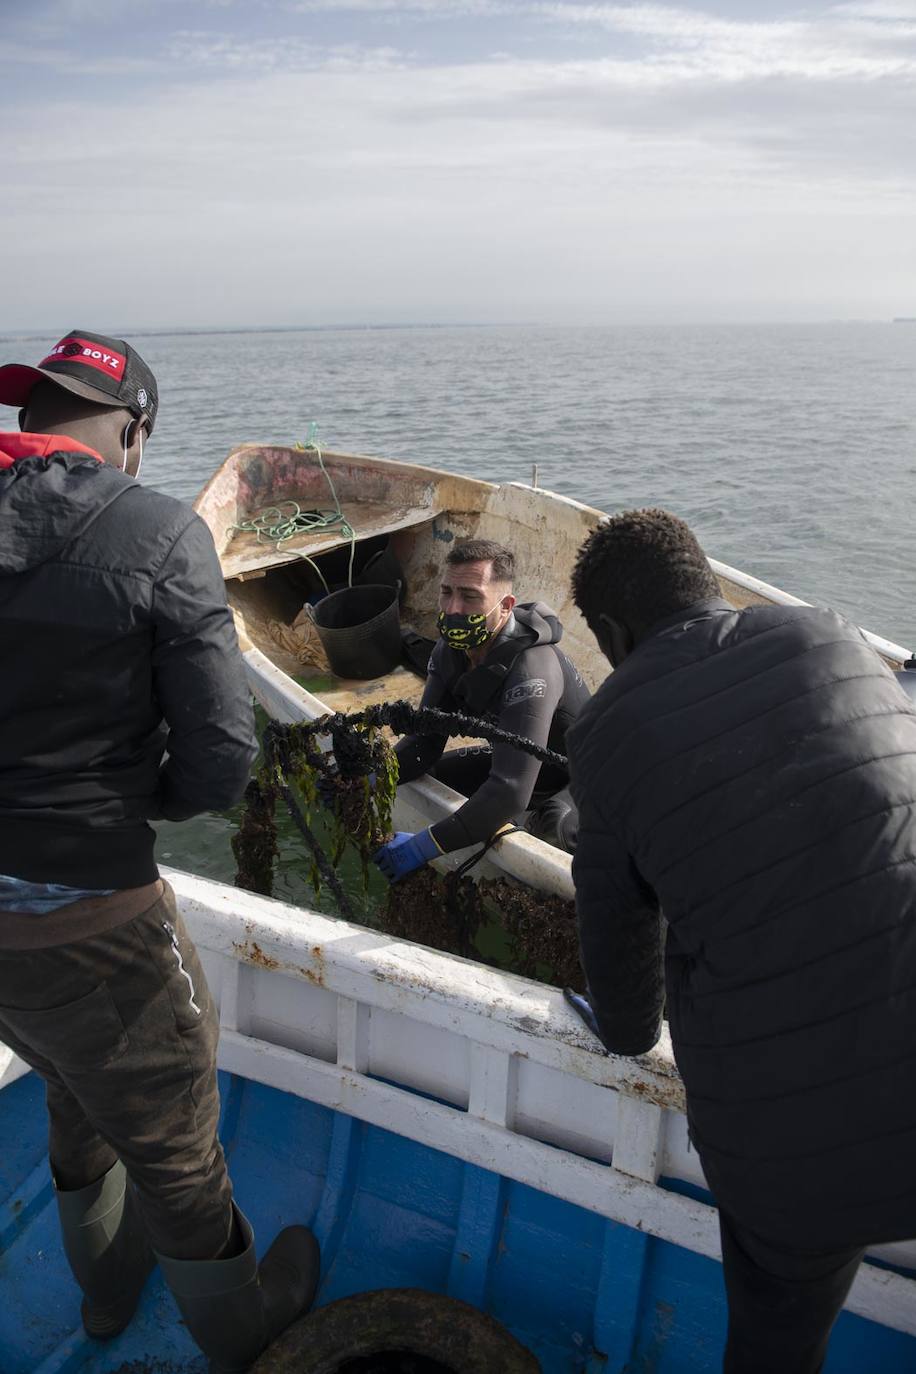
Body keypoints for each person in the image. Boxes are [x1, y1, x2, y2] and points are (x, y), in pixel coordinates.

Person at [0, 330, 319, 1372]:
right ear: (134, 432)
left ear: (31, 419)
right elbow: (223, 759)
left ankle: (102, 1298)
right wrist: (128, 803)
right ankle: (246, 1335)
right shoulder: (157, 532)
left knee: (67, 1081)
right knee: (177, 1143)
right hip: (91, 911)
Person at [564, 506, 916, 1373]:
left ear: (610, 632)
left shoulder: (604, 732)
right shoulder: (829, 635)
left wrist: (624, 1022)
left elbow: (627, 1014)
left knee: (775, 1343)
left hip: (793, 1165)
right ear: (712, 584)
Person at [373, 538, 589, 882]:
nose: (454, 608)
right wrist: (365, 779)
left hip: (585, 778)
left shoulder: (532, 668)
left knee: (551, 828)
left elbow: (509, 792)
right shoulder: (450, 651)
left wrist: (423, 846)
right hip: (523, 765)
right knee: (432, 779)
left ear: (505, 606)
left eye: (470, 596)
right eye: (447, 592)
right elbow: (422, 745)